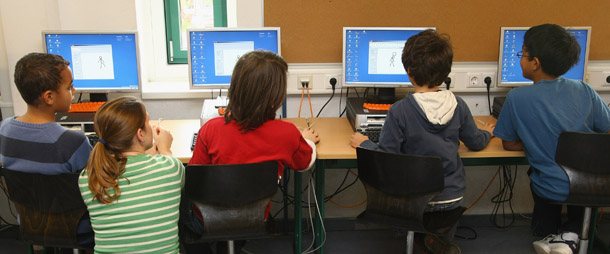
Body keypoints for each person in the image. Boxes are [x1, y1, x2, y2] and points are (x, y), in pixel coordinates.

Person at [350, 30, 494, 254]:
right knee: (440, 224)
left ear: (409, 71)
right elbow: (475, 142)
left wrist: (364, 143)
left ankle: (413, 238)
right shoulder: (459, 104)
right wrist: (488, 133)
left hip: (413, 201)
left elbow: (387, 157)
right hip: (451, 198)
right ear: (446, 71)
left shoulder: (400, 111)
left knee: (403, 199)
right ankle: (437, 242)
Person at [186, 50, 319, 253]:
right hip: (254, 219)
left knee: (182, 207)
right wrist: (307, 140)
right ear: (276, 96)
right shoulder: (287, 133)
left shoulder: (210, 129)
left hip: (207, 220)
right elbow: (304, 163)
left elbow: (195, 178)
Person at [493, 23, 610, 254]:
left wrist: (535, 144)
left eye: (522, 54)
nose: (520, 59)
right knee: (581, 195)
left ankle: (553, 236)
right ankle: (575, 234)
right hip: (596, 186)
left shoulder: (517, 97)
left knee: (542, 179)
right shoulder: (585, 90)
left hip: (550, 187)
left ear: (534, 63)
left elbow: (507, 144)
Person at [0, 52, 94, 246]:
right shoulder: (73, 141)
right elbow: (96, 182)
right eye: (69, 87)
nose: (74, 91)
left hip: (29, 224)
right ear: (49, 97)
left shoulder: (5, 129)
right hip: (77, 227)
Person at [79, 96, 185, 253]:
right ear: (140, 134)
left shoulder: (88, 177)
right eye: (148, 122)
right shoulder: (171, 168)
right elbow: (170, 169)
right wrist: (165, 149)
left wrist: (144, 152)